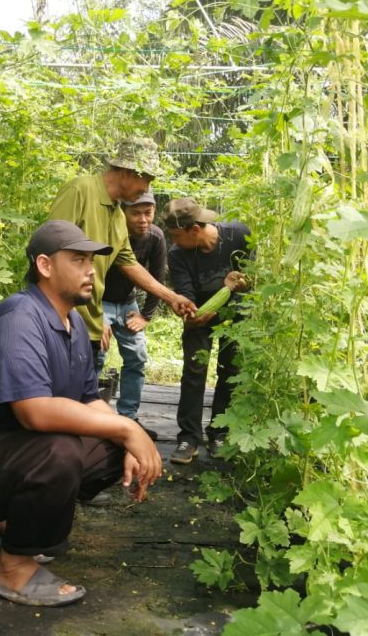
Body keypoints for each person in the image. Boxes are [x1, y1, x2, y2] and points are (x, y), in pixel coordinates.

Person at [0, 220, 162, 607]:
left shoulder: (74, 324)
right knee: (60, 450)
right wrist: (126, 428)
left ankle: (11, 521)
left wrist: (128, 435)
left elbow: (89, 398)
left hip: (8, 459)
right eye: (79, 260)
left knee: (112, 444)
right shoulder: (20, 317)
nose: (90, 270)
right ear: (45, 266)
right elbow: (34, 411)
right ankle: (12, 566)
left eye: (92, 261)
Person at [48, 137, 195, 368]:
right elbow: (51, 251)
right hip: (62, 323)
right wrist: (71, 316)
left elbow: (129, 264)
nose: (147, 188)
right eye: (147, 179)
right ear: (127, 172)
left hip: (89, 326)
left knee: (84, 387)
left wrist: (172, 297)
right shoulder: (80, 190)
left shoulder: (118, 216)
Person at [163, 197, 253, 464]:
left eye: (176, 235)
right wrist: (190, 315)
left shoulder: (238, 235)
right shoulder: (177, 254)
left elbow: (254, 277)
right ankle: (188, 438)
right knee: (194, 372)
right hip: (200, 318)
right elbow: (185, 293)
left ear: (194, 229)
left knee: (230, 371)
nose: (173, 241)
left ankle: (219, 433)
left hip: (235, 316)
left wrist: (239, 285)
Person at [98, 190, 167, 441]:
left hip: (128, 303)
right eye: (135, 213)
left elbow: (157, 278)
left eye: (148, 213)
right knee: (95, 354)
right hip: (100, 301)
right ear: (122, 212)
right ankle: (90, 415)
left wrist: (146, 316)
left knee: (137, 356)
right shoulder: (107, 232)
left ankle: (129, 417)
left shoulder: (155, 237)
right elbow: (89, 274)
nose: (143, 219)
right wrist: (95, 316)